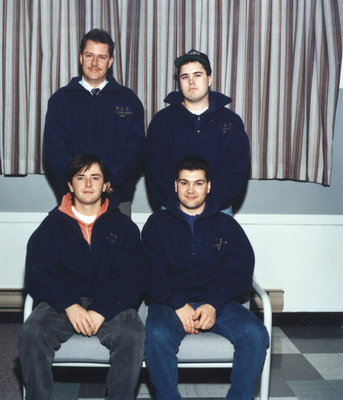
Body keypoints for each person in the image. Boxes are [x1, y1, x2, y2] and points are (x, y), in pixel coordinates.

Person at [17, 154, 145, 400]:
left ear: (106, 184)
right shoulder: (51, 226)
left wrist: (101, 311)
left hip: (110, 304)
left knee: (133, 333)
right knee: (31, 334)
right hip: (61, 304)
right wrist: (69, 305)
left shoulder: (124, 227)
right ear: (69, 185)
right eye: (81, 177)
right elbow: (38, 274)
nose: (88, 184)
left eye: (95, 177)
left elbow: (132, 276)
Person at [142, 156, 269, 400]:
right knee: (157, 336)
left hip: (217, 303)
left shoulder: (226, 225)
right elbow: (148, 270)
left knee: (255, 334)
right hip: (170, 304)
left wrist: (213, 303)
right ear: (175, 185)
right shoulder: (157, 224)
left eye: (198, 183)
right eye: (184, 183)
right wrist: (178, 303)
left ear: (208, 186)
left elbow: (240, 270)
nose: (191, 190)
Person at [43, 29, 145, 216]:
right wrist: (78, 183)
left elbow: (135, 149)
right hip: (73, 197)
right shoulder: (60, 100)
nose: (95, 63)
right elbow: (53, 149)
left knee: (118, 245)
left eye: (102, 57)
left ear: (110, 62)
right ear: (81, 58)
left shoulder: (129, 100)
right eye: (90, 55)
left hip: (116, 197)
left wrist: (110, 181)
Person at [145, 49, 250, 215]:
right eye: (185, 77)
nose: (191, 82)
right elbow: (155, 171)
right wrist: (177, 204)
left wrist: (210, 205)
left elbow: (236, 171)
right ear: (179, 82)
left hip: (219, 210)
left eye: (197, 75)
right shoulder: (161, 122)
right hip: (173, 210)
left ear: (209, 79)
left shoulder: (231, 122)